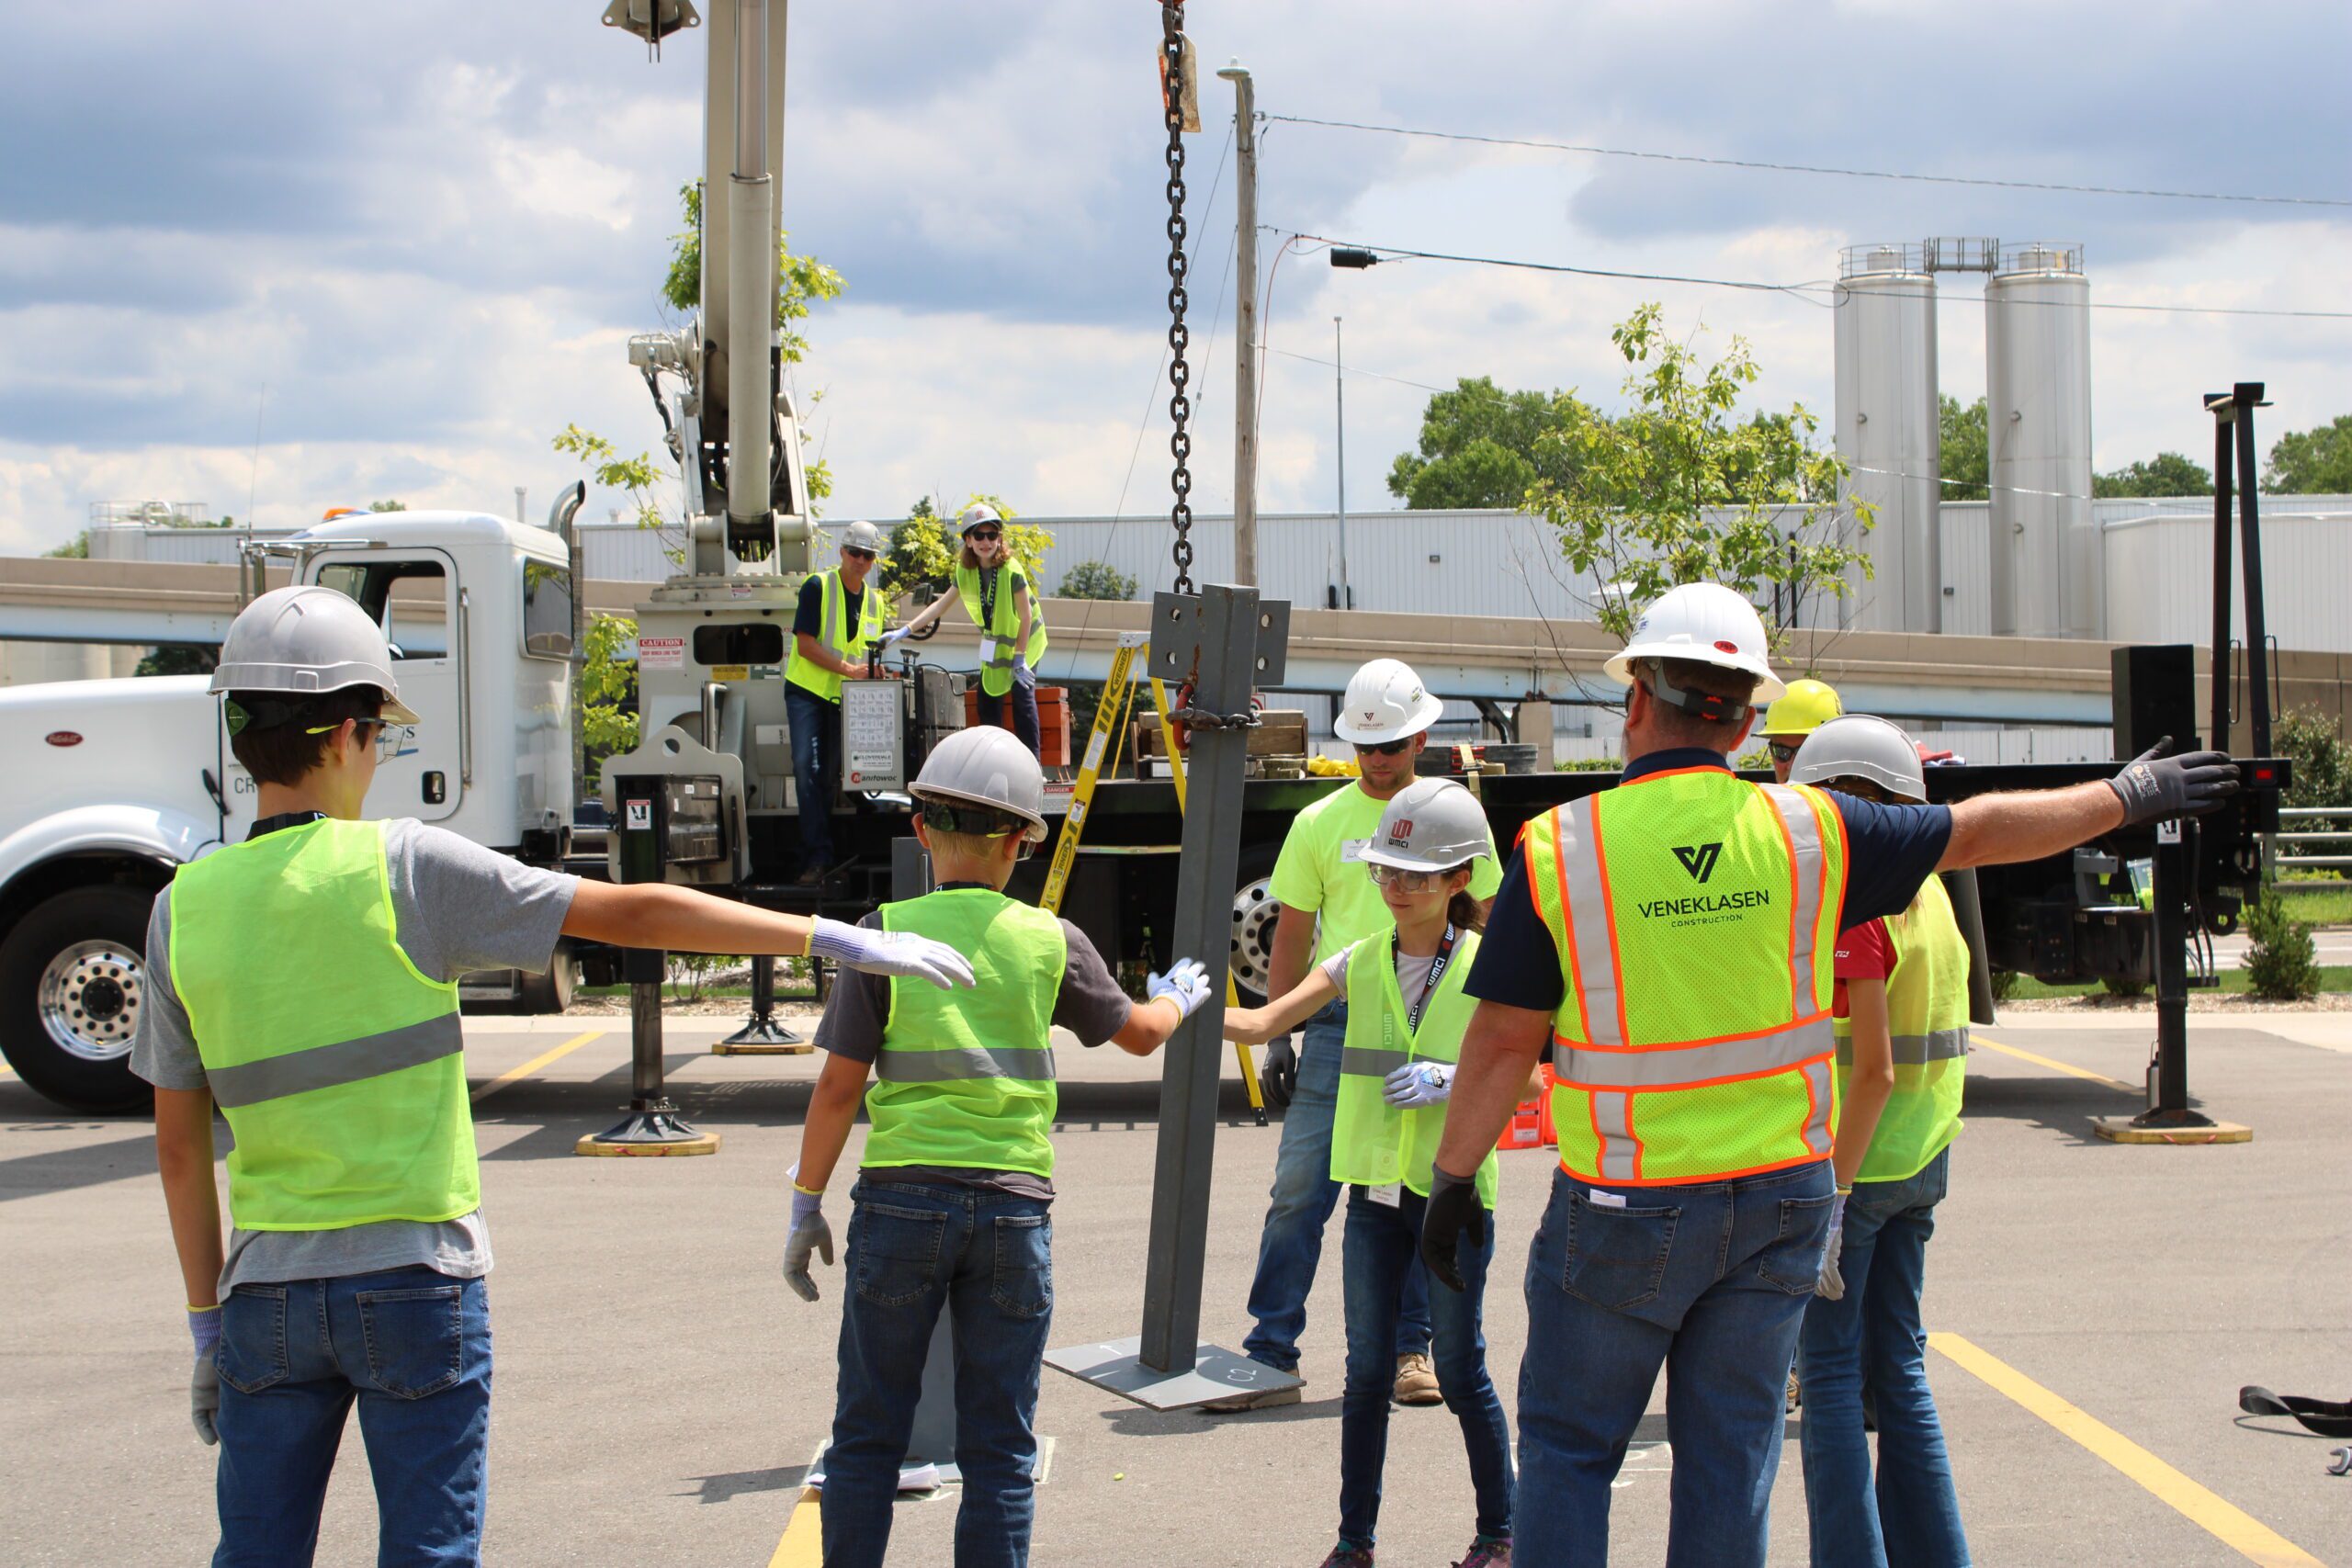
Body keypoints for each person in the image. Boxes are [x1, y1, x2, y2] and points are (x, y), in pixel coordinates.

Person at [135, 585, 975, 1568]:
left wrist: (206, 1325)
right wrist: (831, 936)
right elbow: (636, 915)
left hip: (265, 1300)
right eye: (380, 736)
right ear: (351, 733)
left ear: (242, 731)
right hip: (414, 1283)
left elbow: (179, 1150)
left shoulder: (181, 910)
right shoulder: (405, 870)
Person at [1417, 581, 2239, 1568]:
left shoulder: (1561, 848)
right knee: (1730, 1459)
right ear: (1747, 718)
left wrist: (1454, 1182)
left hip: (1625, 1205)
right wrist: (2128, 796)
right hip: (1779, 1206)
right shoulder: (1814, 832)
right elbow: (1976, 829)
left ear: (1635, 698)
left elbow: (1503, 1043)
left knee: (1568, 1449)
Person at [783, 725, 1211, 1568]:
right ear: (1023, 839)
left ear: (920, 830)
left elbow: (837, 1088)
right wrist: (1179, 1000)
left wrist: (805, 1202)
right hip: (1015, 1212)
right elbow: (1140, 1036)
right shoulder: (1052, 940)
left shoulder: (884, 933)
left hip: (901, 1203)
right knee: (1001, 1450)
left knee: (867, 1436)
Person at [1225, 778, 1517, 1568]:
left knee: (1459, 1368)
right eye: (1387, 871)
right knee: (1363, 1375)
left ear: (1460, 879)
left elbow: (1525, 1074)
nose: (1395, 888)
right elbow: (1261, 1019)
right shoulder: (1358, 959)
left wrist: (1451, 1079)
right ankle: (1355, 1542)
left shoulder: (1493, 964)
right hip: (1374, 1199)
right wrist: (1181, 1005)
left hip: (1453, 1200)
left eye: (1415, 875)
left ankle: (1499, 1534)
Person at [1207, 657, 1504, 1415]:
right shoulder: (1319, 823)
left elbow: (1485, 922)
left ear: (1423, 736)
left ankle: (1411, 1351)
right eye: (1367, 748)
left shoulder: (1452, 817)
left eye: (1393, 745)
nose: (1379, 760)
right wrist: (1279, 1036)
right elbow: (1291, 936)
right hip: (1343, 1025)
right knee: (1300, 1191)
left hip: (1433, 1026)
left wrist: (1488, 1037)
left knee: (1417, 1189)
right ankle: (1271, 1351)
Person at [1791, 716, 1973, 1568]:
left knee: (1827, 1376)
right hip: (1924, 1160)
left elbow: (1872, 1071)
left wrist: (1828, 1195)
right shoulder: (1934, 891)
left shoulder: (1861, 905)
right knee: (1899, 1369)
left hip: (1858, 1169)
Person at [884, 503, 1048, 757]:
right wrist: (904, 630)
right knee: (986, 700)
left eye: (992, 535)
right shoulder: (964, 571)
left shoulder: (1011, 569)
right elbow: (940, 605)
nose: (986, 541)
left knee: (1022, 696)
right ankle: (993, 760)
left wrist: (1020, 658)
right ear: (968, 540)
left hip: (1027, 642)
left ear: (999, 538)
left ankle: (1032, 764)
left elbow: (1026, 616)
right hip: (995, 644)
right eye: (979, 535)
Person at [785, 519, 891, 882]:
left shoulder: (876, 603)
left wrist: (875, 672)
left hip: (844, 698)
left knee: (829, 778)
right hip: (808, 692)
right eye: (855, 552)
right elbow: (806, 644)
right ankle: (816, 856)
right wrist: (850, 669)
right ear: (842, 552)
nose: (861, 560)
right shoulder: (818, 586)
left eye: (868, 555)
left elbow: (868, 653)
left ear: (873, 561)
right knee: (806, 768)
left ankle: (821, 855)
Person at [1761, 676, 1843, 784]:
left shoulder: (1860, 799)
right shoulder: (1755, 799)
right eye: (1782, 752)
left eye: (1805, 754)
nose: (1792, 767)